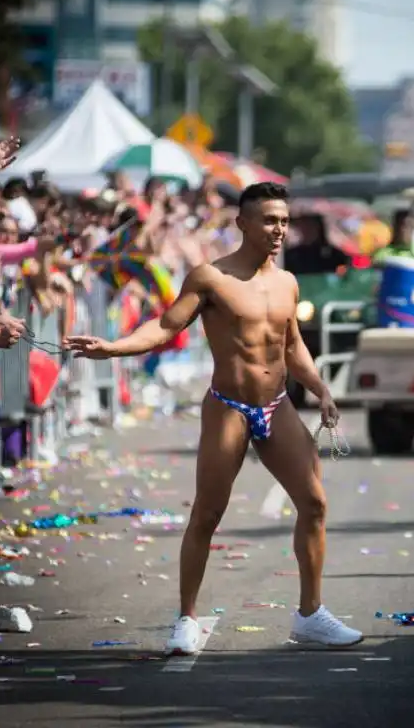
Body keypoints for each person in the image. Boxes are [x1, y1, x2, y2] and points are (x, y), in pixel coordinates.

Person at [64, 182, 364, 654]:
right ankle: (186, 619)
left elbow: (292, 346)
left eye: (283, 221)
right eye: (268, 220)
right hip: (229, 405)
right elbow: (165, 326)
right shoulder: (211, 277)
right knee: (207, 512)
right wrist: (114, 347)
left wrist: (321, 389)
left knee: (315, 504)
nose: (278, 229)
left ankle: (310, 615)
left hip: (276, 404)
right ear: (242, 223)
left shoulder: (286, 282)